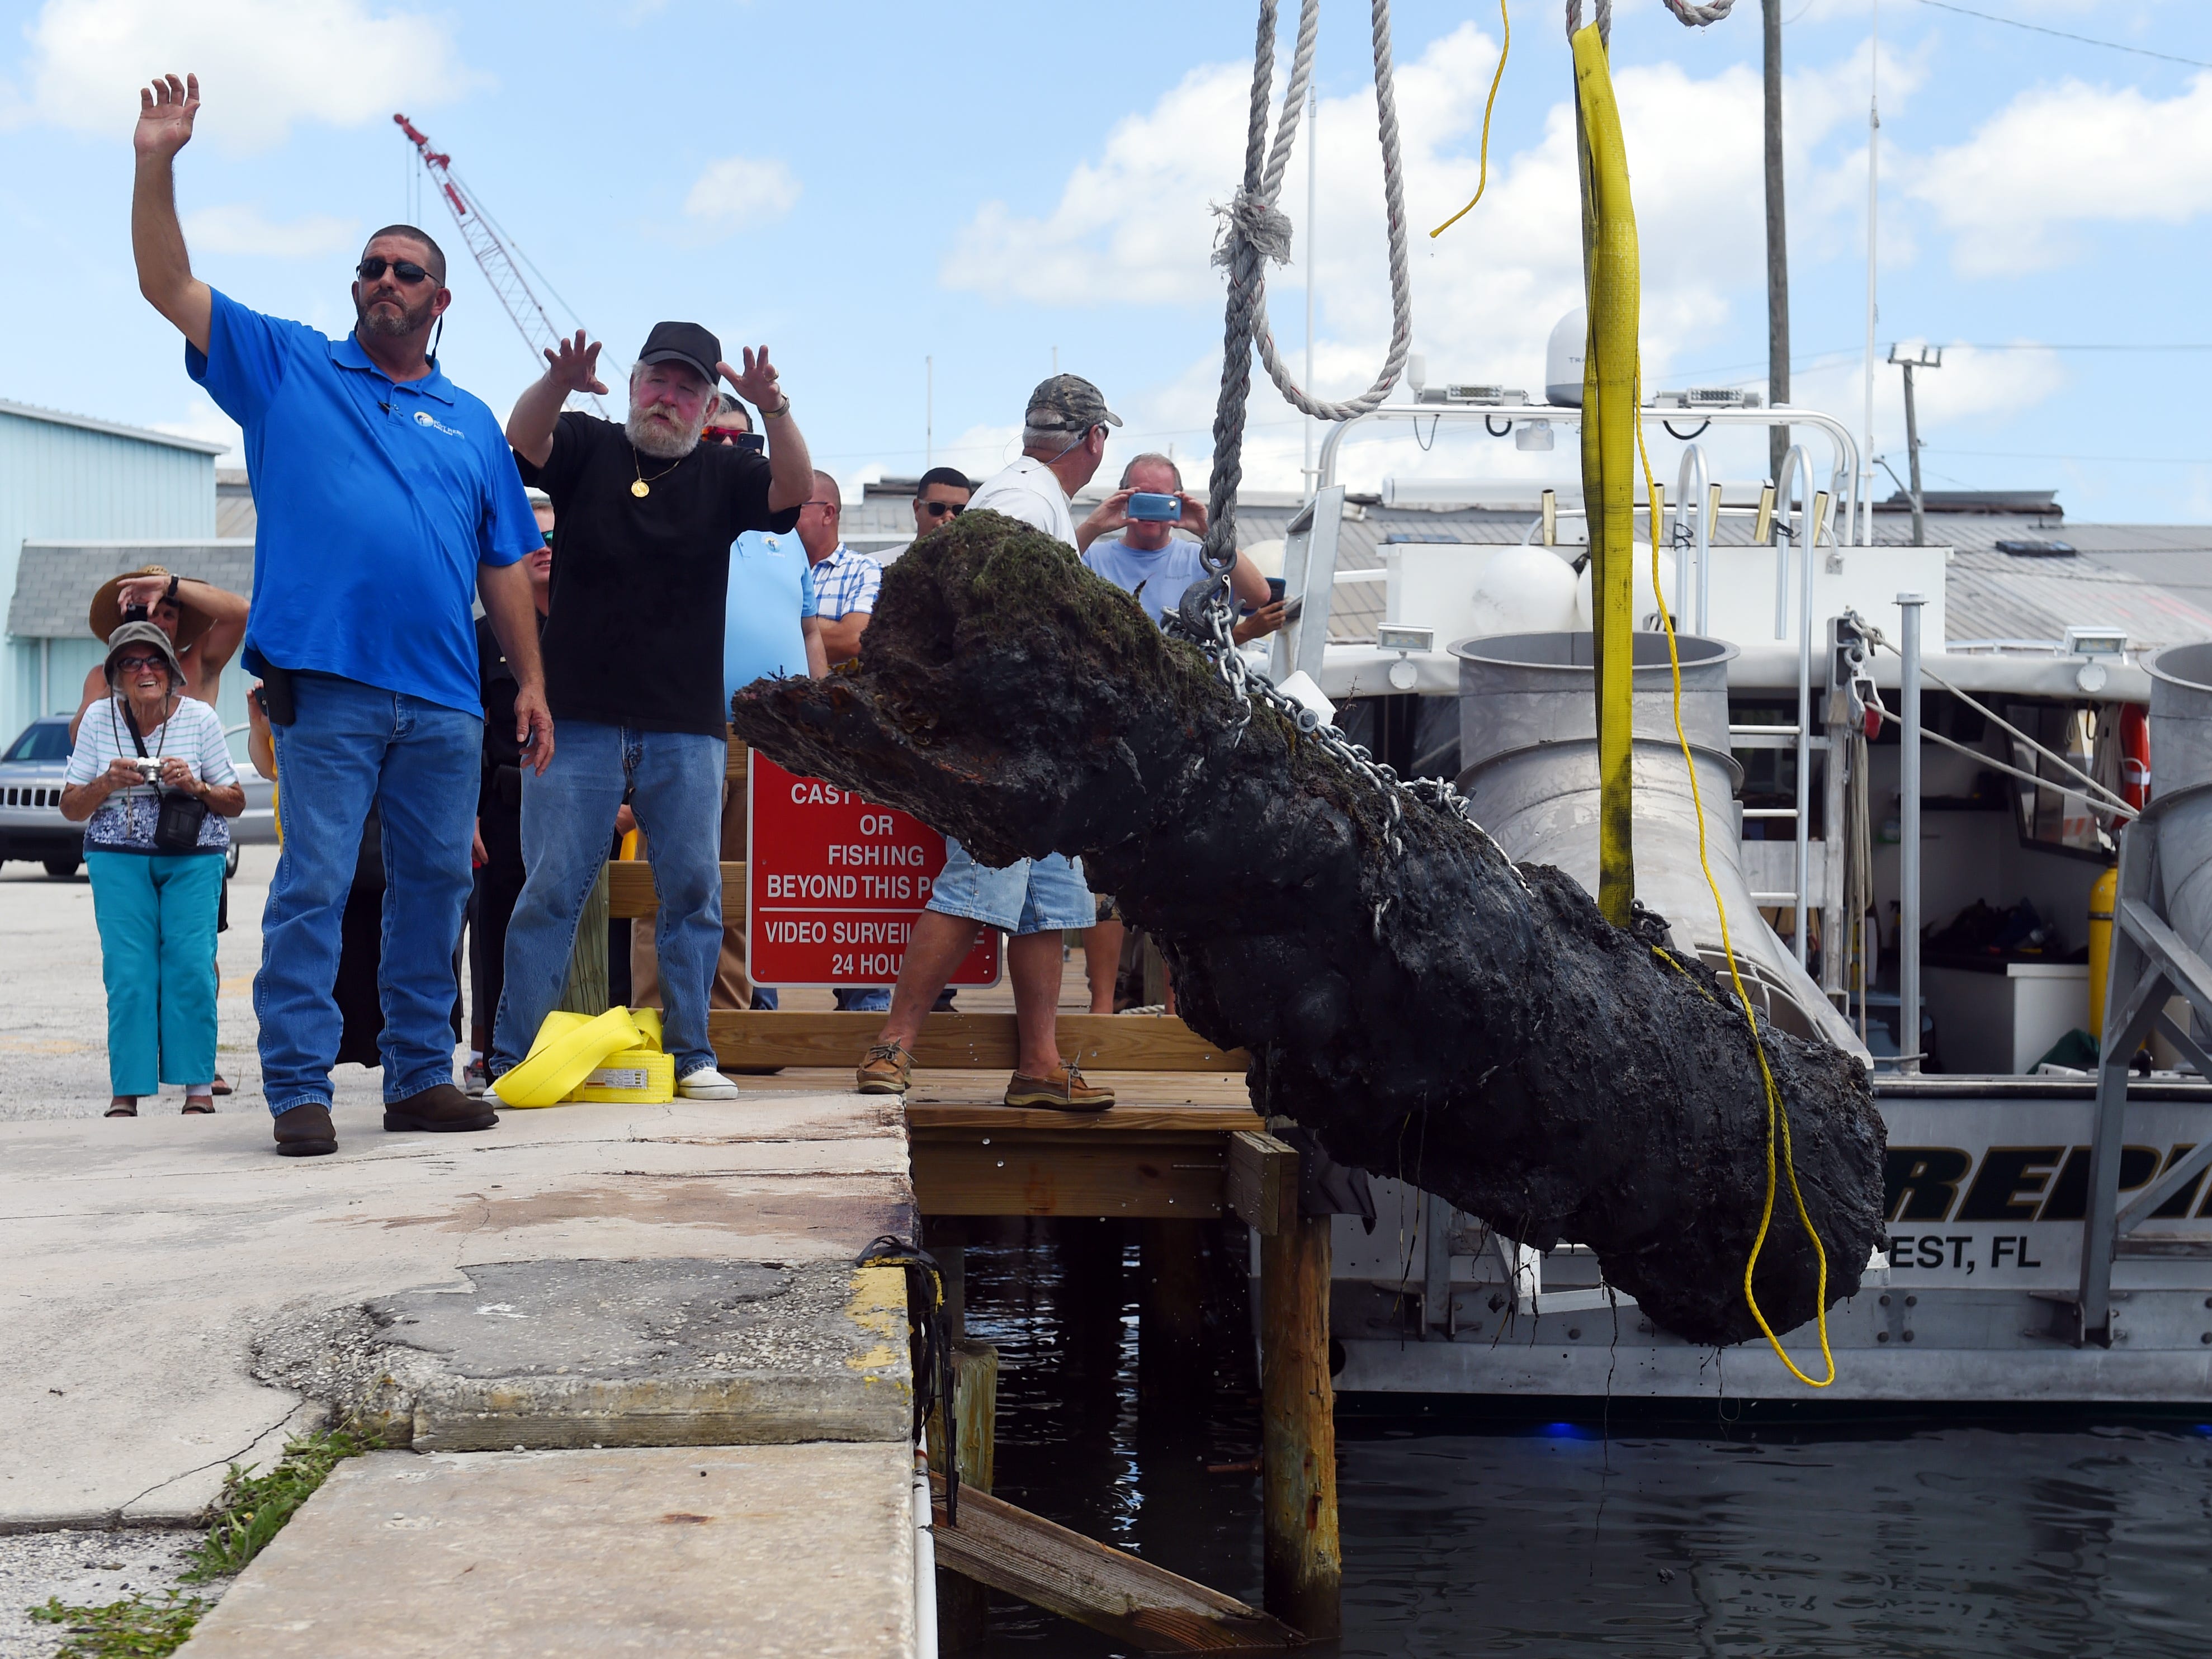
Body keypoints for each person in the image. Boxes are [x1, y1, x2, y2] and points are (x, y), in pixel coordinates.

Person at [131, 72, 551, 1158]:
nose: (383, 279)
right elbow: (167, 282)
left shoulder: (468, 422)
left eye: (406, 269)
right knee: (315, 882)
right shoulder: (288, 366)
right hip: (330, 685)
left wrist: (535, 683)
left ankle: (417, 1075)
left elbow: (506, 565)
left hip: (447, 701)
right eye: (369, 265)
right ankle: (298, 1084)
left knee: (436, 886)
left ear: (438, 299)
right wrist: (157, 162)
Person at [494, 322, 814, 1100]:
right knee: (552, 888)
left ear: (708, 407)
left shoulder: (725, 469)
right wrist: (559, 382)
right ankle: (509, 1058)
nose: (669, 399)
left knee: (693, 889)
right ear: (635, 384)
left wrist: (776, 410)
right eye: (659, 382)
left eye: (688, 389)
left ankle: (693, 1049)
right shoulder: (588, 445)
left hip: (686, 724)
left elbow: (792, 493)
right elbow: (522, 440)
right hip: (578, 718)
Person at [855, 375, 1121, 1110]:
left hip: (1029, 738)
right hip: (1008, 738)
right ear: (1095, 440)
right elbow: (984, 608)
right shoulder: (1026, 500)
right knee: (977, 885)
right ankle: (893, 1044)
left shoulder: (1027, 494)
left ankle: (1039, 1063)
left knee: (1042, 901)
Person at [1073, 452, 1285, 1010]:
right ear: (1122, 498)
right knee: (1103, 875)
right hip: (1111, 731)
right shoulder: (1095, 554)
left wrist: (1210, 530)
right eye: (1138, 498)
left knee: (1176, 871)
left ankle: (1176, 1007)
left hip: (1180, 731)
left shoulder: (1199, 558)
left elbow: (1260, 597)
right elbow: (1053, 572)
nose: (1150, 512)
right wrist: (1098, 519)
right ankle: (1101, 1003)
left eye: (1162, 500)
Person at [58, 622, 244, 1117]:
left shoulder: (201, 718)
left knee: (190, 966)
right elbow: (71, 806)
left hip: (192, 856)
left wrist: (197, 785)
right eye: (132, 663)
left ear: (172, 669)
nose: (145, 671)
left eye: (155, 660)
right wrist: (105, 781)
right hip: (117, 857)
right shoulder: (100, 719)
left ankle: (198, 1087)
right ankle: (127, 1089)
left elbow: (236, 800)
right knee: (129, 971)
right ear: (117, 674)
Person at [466, 517, 554, 1095]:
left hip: (577, 803)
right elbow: (466, 728)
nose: (542, 550)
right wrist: (463, 810)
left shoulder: (590, 628)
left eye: (552, 539)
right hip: (500, 804)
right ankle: (488, 1054)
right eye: (529, 542)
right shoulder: (480, 636)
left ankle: (561, 1045)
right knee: (494, 929)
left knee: (572, 927)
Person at [68, 568, 248, 742]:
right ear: (130, 619)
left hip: (188, 772)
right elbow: (78, 737)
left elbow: (242, 613)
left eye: (169, 615)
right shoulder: (101, 678)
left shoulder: (198, 663)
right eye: (151, 613)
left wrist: (169, 585)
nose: (160, 623)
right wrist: (118, 681)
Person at [796, 472, 881, 664]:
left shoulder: (865, 571)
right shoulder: (773, 567)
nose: (785, 514)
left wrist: (775, 623)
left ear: (828, 514)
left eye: (797, 506)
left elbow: (853, 641)